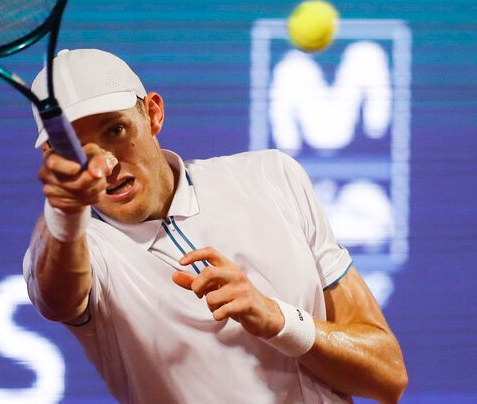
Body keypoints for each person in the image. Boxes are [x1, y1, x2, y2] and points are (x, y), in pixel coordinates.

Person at [23, 49, 407, 403]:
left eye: (115, 130)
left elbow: (387, 374)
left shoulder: (273, 176)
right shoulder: (81, 251)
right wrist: (65, 211)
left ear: (153, 114)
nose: (104, 165)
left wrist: (279, 320)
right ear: (51, 157)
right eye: (74, 149)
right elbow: (58, 298)